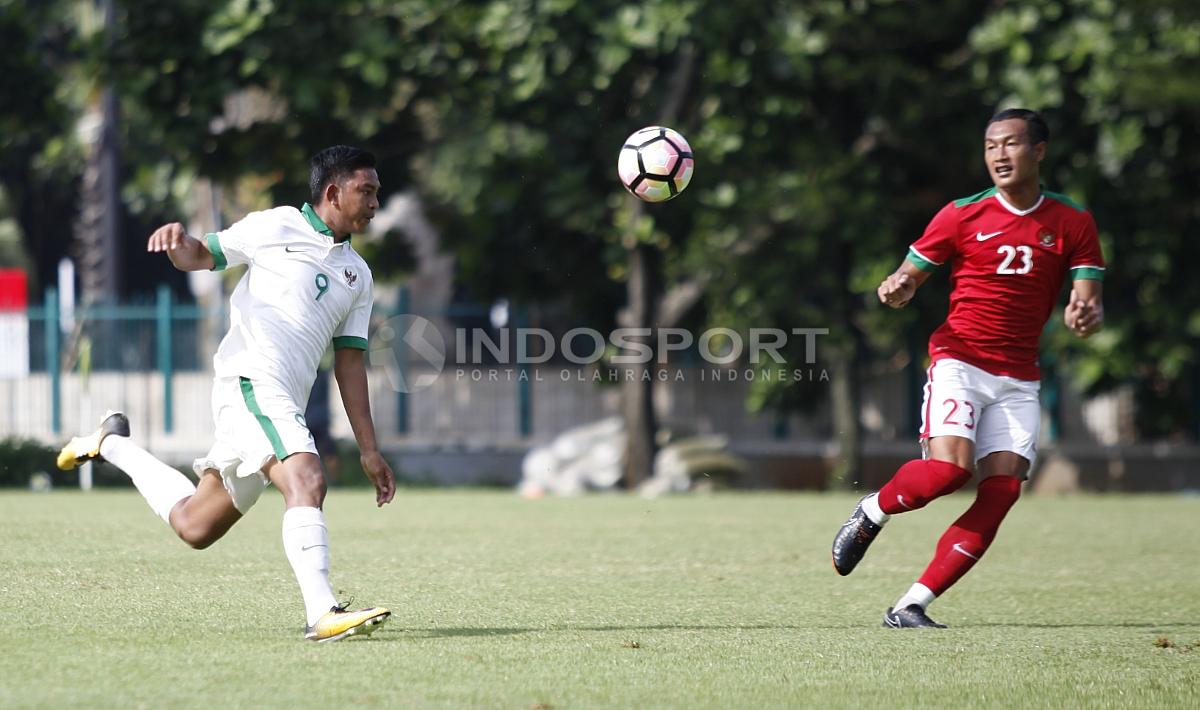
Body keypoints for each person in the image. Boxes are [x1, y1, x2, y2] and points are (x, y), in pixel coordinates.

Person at [57, 145, 397, 642]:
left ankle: (110, 443)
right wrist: (177, 243)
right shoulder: (276, 226)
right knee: (306, 479)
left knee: (195, 526)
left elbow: (349, 363)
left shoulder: (358, 276)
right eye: (366, 192)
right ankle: (322, 612)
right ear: (332, 192)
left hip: (277, 405)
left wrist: (369, 448)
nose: (374, 203)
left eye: (376, 193)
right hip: (250, 382)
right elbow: (201, 254)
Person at [831, 109, 1105, 628]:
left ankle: (911, 605)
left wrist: (1086, 314)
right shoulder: (961, 214)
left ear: (1039, 151)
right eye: (990, 146)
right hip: (960, 361)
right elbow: (908, 276)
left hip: (1020, 378)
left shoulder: (1073, 221)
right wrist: (898, 288)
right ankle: (874, 510)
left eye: (1011, 144)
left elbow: (1088, 305)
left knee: (1001, 492)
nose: (999, 155)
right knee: (948, 472)